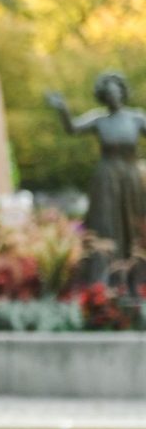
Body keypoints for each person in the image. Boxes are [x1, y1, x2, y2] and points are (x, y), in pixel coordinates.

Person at [46, 73, 146, 277]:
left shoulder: (136, 118)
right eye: (108, 94)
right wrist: (62, 108)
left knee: (134, 220)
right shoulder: (99, 119)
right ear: (103, 97)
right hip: (107, 177)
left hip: (131, 176)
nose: (112, 97)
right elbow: (73, 128)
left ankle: (136, 272)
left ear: (122, 92)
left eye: (115, 92)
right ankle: (104, 272)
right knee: (106, 221)